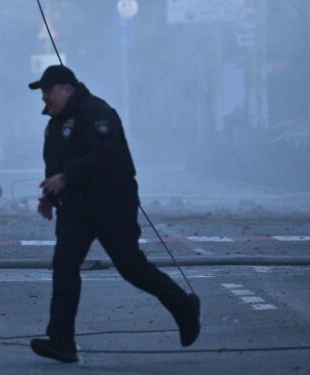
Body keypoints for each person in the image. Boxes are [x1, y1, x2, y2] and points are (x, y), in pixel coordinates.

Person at [27, 65, 201, 363]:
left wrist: (66, 178)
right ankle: (61, 341)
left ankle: (183, 306)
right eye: (43, 93)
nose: (45, 98)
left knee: (131, 266)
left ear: (67, 88)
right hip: (77, 209)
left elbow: (105, 155)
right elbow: (55, 163)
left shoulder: (96, 112)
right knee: (65, 266)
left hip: (111, 204)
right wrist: (49, 196)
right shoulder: (56, 121)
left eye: (48, 91)